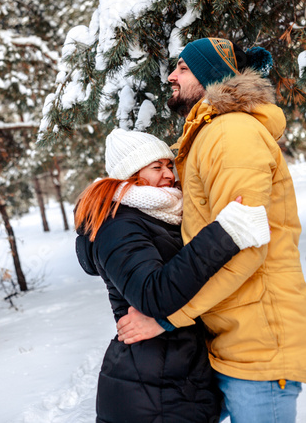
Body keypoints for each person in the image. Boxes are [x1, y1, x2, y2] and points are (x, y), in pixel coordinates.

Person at [117, 38, 306, 423]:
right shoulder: (205, 136)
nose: (171, 75)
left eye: (183, 69)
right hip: (231, 338)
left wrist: (167, 317)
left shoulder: (231, 134)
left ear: (210, 76)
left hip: (258, 347)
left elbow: (242, 242)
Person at [74, 128, 270, 423]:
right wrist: (225, 234)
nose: (168, 174)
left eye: (169, 165)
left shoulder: (158, 216)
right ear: (131, 173)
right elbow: (152, 295)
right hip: (151, 390)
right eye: (156, 167)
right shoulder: (118, 225)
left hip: (174, 377)